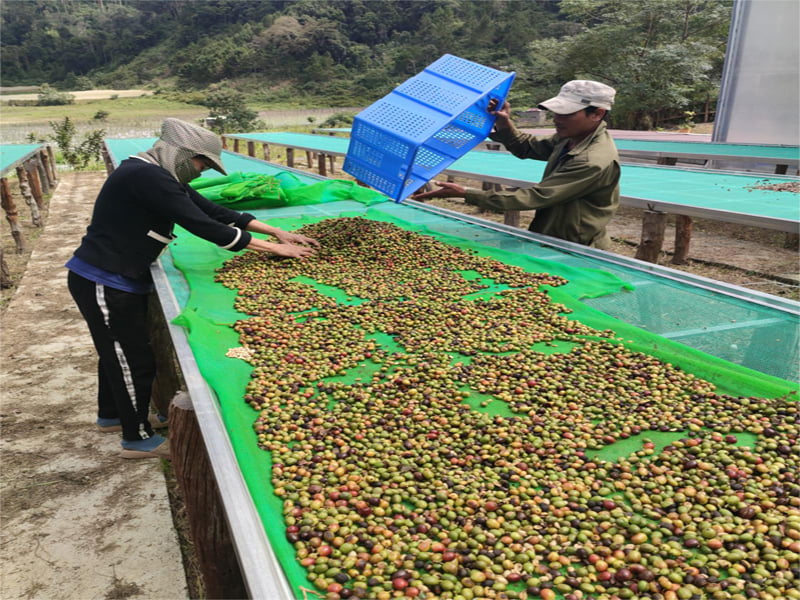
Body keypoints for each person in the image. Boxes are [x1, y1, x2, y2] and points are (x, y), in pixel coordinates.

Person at [66, 118, 319, 459]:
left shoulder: (154, 172)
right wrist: (276, 250)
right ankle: (136, 439)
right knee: (133, 359)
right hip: (104, 279)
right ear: (183, 154)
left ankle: (113, 416)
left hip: (115, 274)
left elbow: (212, 210)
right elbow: (203, 225)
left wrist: (276, 232)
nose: (202, 171)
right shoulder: (147, 177)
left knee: (118, 352)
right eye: (202, 163)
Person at [413, 80, 620, 249]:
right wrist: (505, 123)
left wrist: (465, 193)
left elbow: (535, 197)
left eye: (567, 114)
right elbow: (528, 147)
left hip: (576, 245)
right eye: (557, 112)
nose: (557, 119)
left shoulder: (591, 160)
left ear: (597, 114)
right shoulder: (570, 138)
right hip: (552, 234)